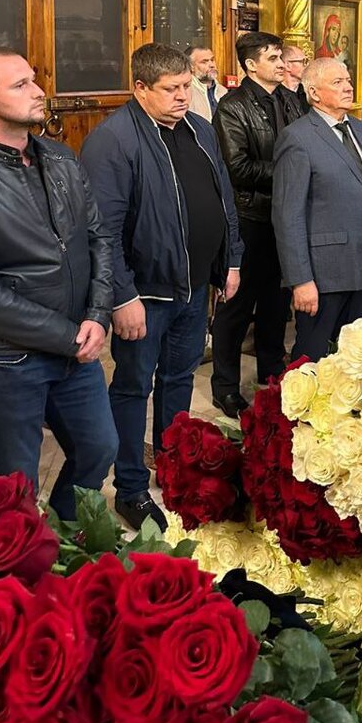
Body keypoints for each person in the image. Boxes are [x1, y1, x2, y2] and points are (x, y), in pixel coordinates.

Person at [81, 44, 242, 530]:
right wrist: (122, 298)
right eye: (171, 90)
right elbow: (101, 232)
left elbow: (223, 198)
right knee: (132, 387)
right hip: (145, 295)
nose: (182, 96)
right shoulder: (113, 140)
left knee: (178, 381)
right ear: (140, 89)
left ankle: (176, 471)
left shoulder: (200, 130)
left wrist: (230, 261)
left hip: (194, 288)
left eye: (186, 86)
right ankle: (130, 487)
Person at [0, 49, 117, 518]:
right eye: (21, 85)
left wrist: (97, 315)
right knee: (14, 484)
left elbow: (99, 237)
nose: (39, 91)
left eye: (34, 80)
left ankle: (63, 540)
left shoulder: (60, 158)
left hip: (78, 346)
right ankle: (19, 577)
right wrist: (66, 335)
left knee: (98, 448)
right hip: (12, 357)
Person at [273, 59, 362, 361]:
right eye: (338, 81)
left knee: (352, 359)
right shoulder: (297, 137)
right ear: (313, 92)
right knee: (312, 360)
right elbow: (288, 216)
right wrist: (300, 280)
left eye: (349, 79)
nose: (349, 86)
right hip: (323, 272)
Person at [209, 32, 301, 417]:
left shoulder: (290, 100)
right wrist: (293, 172)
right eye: (273, 57)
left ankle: (271, 369)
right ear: (251, 65)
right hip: (250, 217)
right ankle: (225, 385)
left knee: (277, 301)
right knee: (238, 305)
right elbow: (239, 167)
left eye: (282, 57)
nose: (282, 64)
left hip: (285, 215)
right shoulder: (233, 107)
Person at [186, 45, 227, 122]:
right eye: (204, 62)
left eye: (212, 60)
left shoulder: (223, 91)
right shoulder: (186, 91)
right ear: (191, 67)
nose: (212, 65)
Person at [280, 44, 309, 117]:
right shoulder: (276, 96)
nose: (307, 65)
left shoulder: (307, 93)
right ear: (287, 65)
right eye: (303, 61)